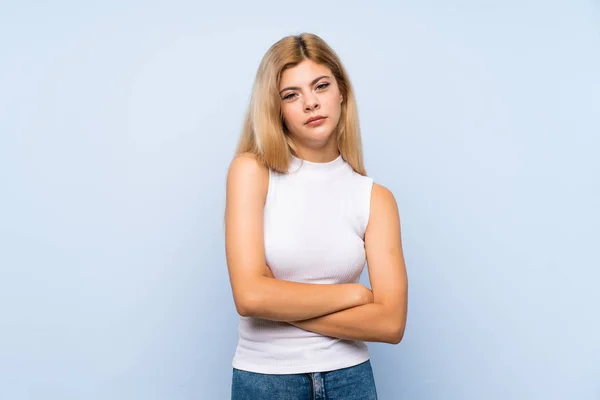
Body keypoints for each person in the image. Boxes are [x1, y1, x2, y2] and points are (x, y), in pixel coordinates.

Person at [224, 32, 408, 400]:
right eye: (291, 94)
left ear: (341, 91)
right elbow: (249, 297)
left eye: (320, 86)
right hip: (267, 381)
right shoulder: (252, 172)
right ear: (276, 108)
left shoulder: (375, 198)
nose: (310, 103)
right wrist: (354, 294)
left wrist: (278, 304)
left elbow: (390, 323)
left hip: (350, 380)